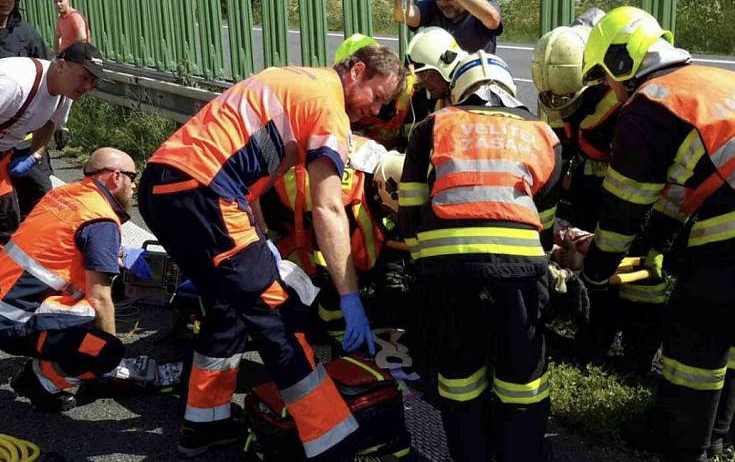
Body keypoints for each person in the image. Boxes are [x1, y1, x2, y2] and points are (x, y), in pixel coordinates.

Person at [138, 45, 405, 459]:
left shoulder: (294, 81)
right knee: (279, 317)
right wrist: (349, 296)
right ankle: (334, 444)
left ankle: (204, 426)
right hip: (204, 193)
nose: (374, 110)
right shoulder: (329, 106)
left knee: (226, 308)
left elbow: (253, 163)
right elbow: (329, 207)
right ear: (356, 71)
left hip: (165, 186)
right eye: (377, 96)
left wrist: (258, 232)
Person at [578, 6, 735, 461]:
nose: (610, 91)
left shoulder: (650, 104)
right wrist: (659, 242)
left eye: (605, 78)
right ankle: (716, 435)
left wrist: (597, 269)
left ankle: (682, 449)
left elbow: (624, 207)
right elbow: (692, 183)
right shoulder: (721, 78)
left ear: (622, 62)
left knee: (692, 338)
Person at [399, 51, 561, 461]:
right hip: (521, 267)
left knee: (458, 375)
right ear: (511, 90)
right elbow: (544, 220)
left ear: (458, 92)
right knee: (522, 377)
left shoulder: (433, 125)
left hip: (447, 268)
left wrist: (423, 266)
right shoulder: (543, 133)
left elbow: (410, 210)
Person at [532, 10, 666, 374]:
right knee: (597, 267)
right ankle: (594, 341)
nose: (565, 110)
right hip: (594, 187)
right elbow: (557, 153)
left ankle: (639, 357)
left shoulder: (626, 95)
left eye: (570, 102)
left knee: (642, 277)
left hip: (640, 191)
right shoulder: (559, 88)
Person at [0, 147, 135, 412]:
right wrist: (108, 363)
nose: (134, 185)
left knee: (88, 306)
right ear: (117, 177)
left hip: (8, 300)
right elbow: (100, 298)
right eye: (133, 177)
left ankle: (47, 358)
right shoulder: (100, 218)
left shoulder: (63, 194)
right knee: (106, 351)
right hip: (12, 321)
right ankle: (39, 380)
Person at [261, 135, 406, 343]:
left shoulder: (375, 158)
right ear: (385, 192)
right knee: (325, 280)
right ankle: (333, 332)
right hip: (273, 211)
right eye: (394, 211)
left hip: (291, 197)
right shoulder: (346, 200)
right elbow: (332, 265)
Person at [0, 42, 106, 243]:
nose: (88, 87)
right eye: (84, 78)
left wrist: (35, 155)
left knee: (6, 225)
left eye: (93, 81)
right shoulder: (13, 85)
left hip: (2, 155)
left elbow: (50, 121)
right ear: (60, 65)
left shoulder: (65, 93)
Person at [0, 0, 60, 219]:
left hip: (27, 143)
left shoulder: (26, 35)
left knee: (40, 202)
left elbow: (53, 77)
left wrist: (60, 125)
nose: (5, 1)